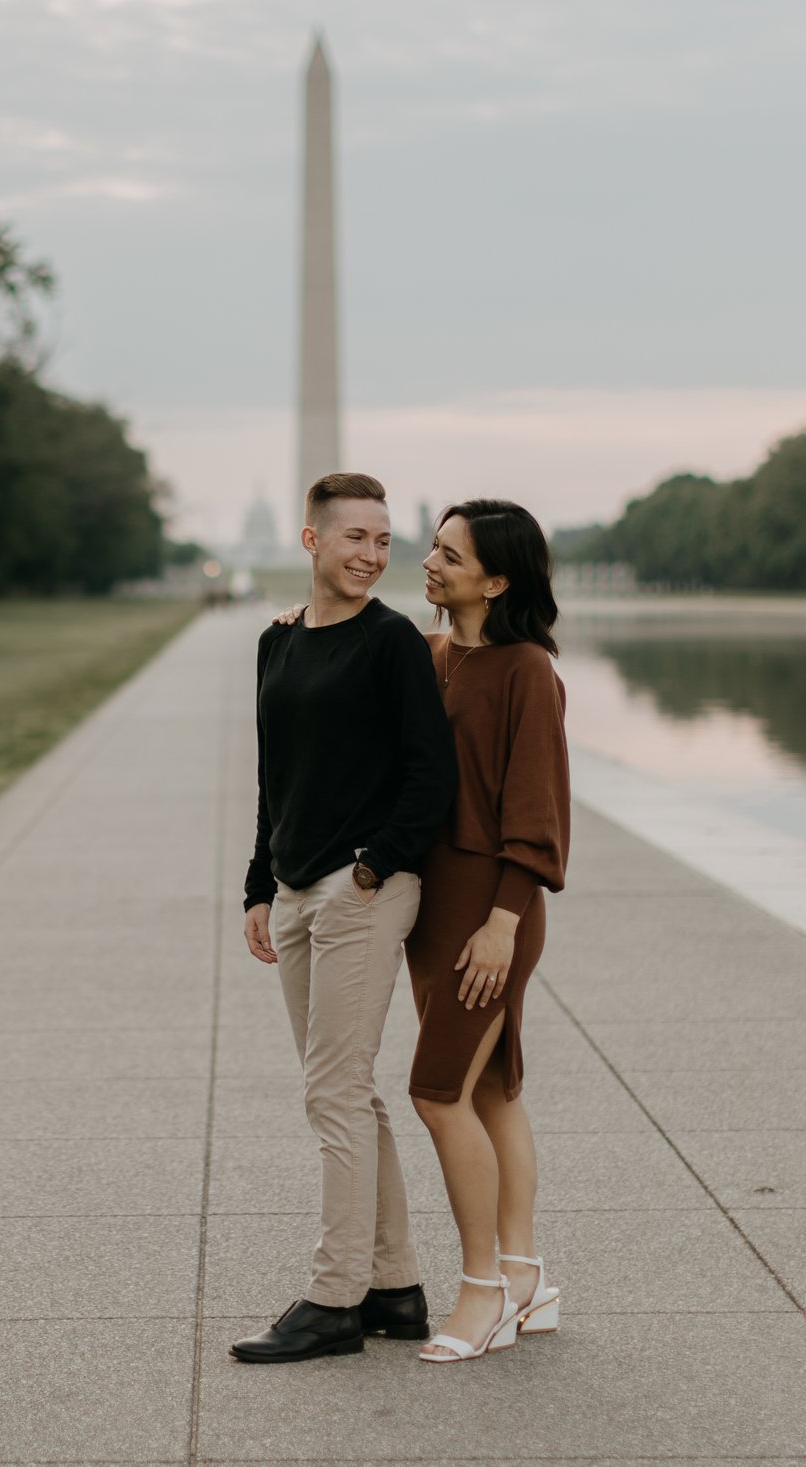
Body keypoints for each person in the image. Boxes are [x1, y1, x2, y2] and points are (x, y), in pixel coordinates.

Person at [269, 496, 569, 1365]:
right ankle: (526, 1276)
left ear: (497, 578)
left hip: (490, 907)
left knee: (437, 1092)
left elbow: (537, 812)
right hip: (430, 905)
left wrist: (504, 924)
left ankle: (483, 1291)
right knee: (491, 1090)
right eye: (431, 548)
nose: (428, 564)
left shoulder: (526, 671)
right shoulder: (429, 652)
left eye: (449, 556)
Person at [228, 472, 457, 1365]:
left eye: (383, 540)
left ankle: (332, 1297)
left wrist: (372, 866)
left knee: (332, 1092)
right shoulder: (275, 642)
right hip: (292, 890)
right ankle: (395, 1287)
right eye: (354, 536)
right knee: (349, 1094)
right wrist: (258, 883)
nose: (371, 553)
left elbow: (428, 774)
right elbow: (273, 772)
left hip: (362, 891)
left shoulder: (393, 641)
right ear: (312, 540)